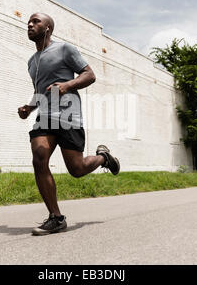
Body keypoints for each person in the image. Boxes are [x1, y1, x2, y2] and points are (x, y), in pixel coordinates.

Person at [18, 13, 120, 236]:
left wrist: (66, 86)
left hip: (68, 114)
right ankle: (56, 217)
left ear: (48, 28)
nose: (30, 24)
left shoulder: (65, 49)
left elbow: (89, 75)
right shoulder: (31, 62)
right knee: (39, 158)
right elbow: (40, 92)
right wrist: (29, 108)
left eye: (36, 21)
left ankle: (104, 157)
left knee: (77, 169)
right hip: (44, 116)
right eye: (29, 21)